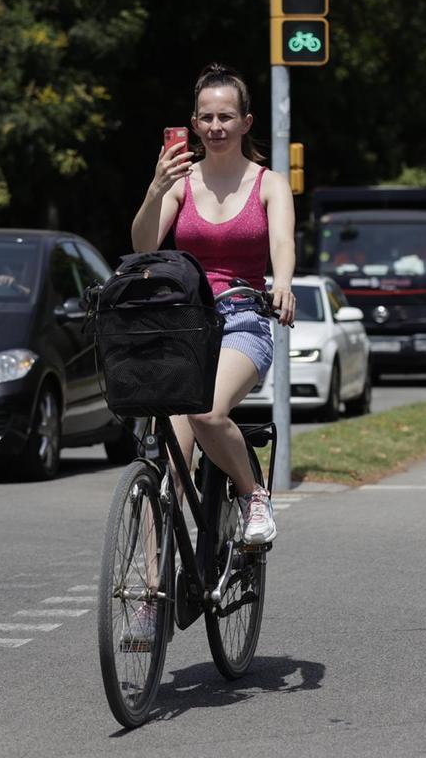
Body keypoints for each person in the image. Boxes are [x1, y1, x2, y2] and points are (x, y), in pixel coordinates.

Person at [130, 63, 296, 548]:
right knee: (171, 471)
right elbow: (143, 246)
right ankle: (150, 593)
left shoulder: (269, 184)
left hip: (242, 319)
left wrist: (282, 283)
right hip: (186, 323)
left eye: (226, 116)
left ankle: (252, 495)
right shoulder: (181, 180)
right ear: (194, 123)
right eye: (206, 118)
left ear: (246, 122)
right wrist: (156, 188)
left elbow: (283, 242)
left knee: (205, 413)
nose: (215, 127)